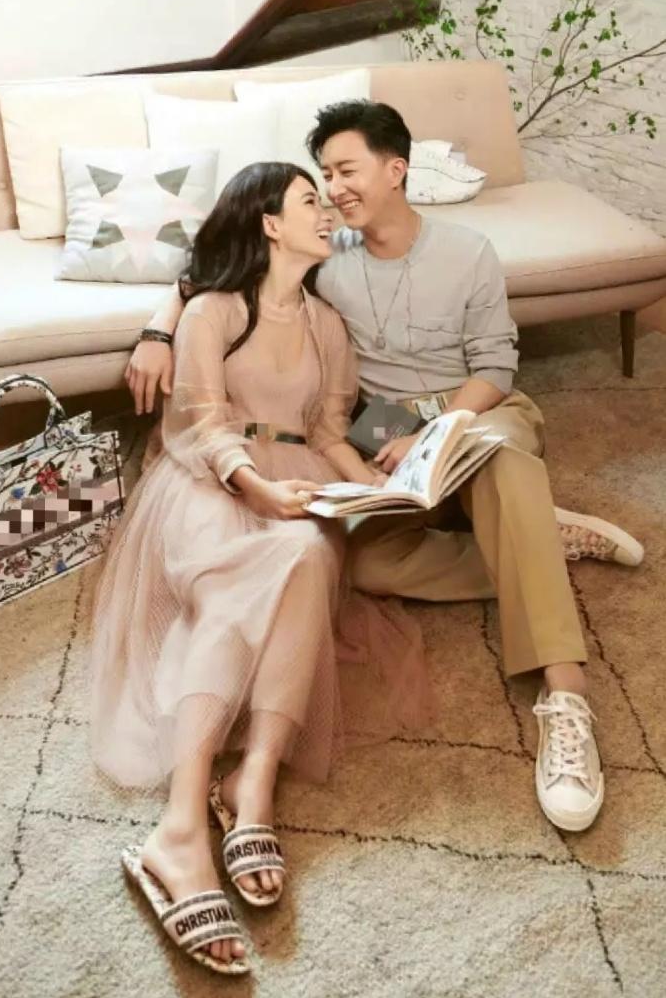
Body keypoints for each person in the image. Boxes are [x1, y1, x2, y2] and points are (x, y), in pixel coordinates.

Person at [127, 101, 644, 839]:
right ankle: (539, 537)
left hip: (475, 410)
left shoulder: (467, 251)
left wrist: (443, 425)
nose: (334, 190)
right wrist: (158, 331)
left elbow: (496, 367)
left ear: (395, 169)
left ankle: (565, 697)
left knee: (502, 462)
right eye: (324, 177)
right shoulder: (325, 253)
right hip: (383, 430)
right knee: (363, 567)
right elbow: (215, 268)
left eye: (346, 171)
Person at [91, 161, 426, 977]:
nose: (328, 211)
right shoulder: (212, 312)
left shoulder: (326, 323)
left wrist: (381, 486)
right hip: (211, 479)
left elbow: (330, 425)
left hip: (299, 475)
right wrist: (255, 486)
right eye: (311, 200)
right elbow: (200, 425)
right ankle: (179, 828)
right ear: (270, 224)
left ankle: (255, 784)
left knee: (310, 551)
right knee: (245, 581)